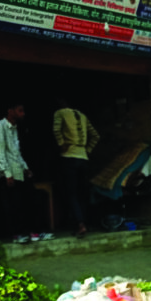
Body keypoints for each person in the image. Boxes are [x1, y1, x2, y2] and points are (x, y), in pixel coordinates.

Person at [0, 101, 53, 243]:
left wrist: (25, 168)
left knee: (31, 201)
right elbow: (0, 152)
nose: (22, 114)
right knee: (15, 205)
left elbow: (16, 152)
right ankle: (17, 234)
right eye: (20, 111)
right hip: (10, 173)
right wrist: (7, 174)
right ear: (10, 111)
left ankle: (34, 233)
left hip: (19, 171)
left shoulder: (14, 128)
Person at [53, 98, 100, 238]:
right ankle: (84, 221)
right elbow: (96, 136)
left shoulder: (60, 113)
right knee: (81, 192)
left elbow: (56, 130)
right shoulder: (82, 115)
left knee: (71, 193)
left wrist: (62, 144)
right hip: (83, 157)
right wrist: (87, 150)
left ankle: (80, 224)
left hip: (69, 156)